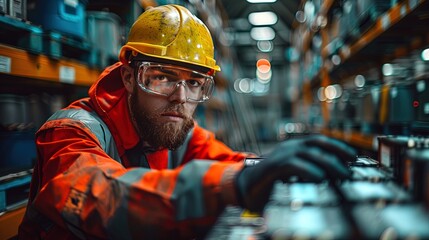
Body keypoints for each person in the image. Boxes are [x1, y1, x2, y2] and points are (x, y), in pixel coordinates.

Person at [18, 4, 356, 239]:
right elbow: (104, 199)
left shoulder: (178, 131)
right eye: (163, 77)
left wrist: (279, 170)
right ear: (127, 77)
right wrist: (231, 185)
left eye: (194, 83)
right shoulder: (70, 132)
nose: (180, 97)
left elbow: (233, 165)